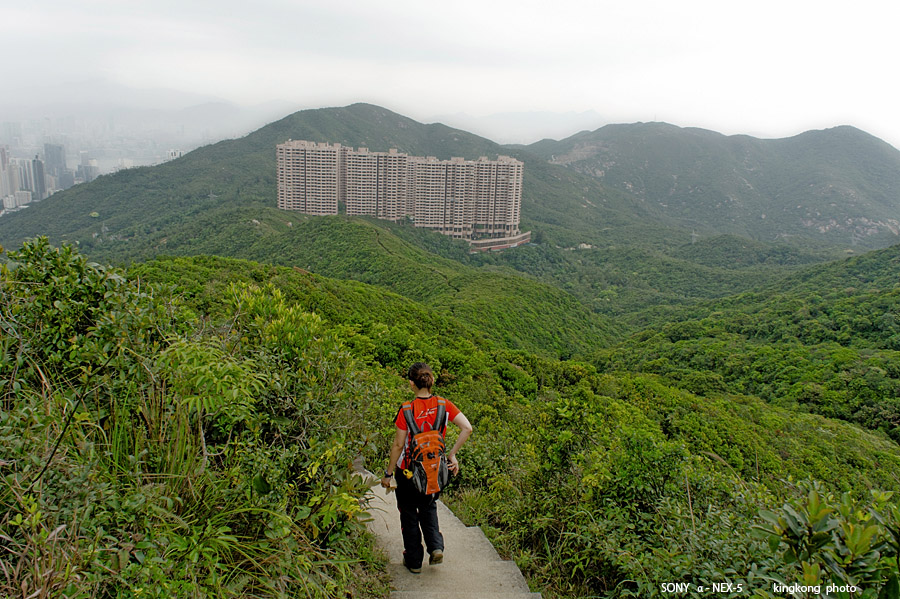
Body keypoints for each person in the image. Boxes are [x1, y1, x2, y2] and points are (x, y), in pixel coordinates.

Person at [380, 362, 473, 574]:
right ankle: (436, 547)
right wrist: (452, 455)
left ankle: (413, 561)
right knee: (429, 506)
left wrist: (388, 474)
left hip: (408, 472)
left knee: (409, 513)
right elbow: (467, 428)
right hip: (434, 470)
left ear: (412, 383)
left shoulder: (406, 410)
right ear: (431, 381)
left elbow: (398, 445)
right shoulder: (443, 405)